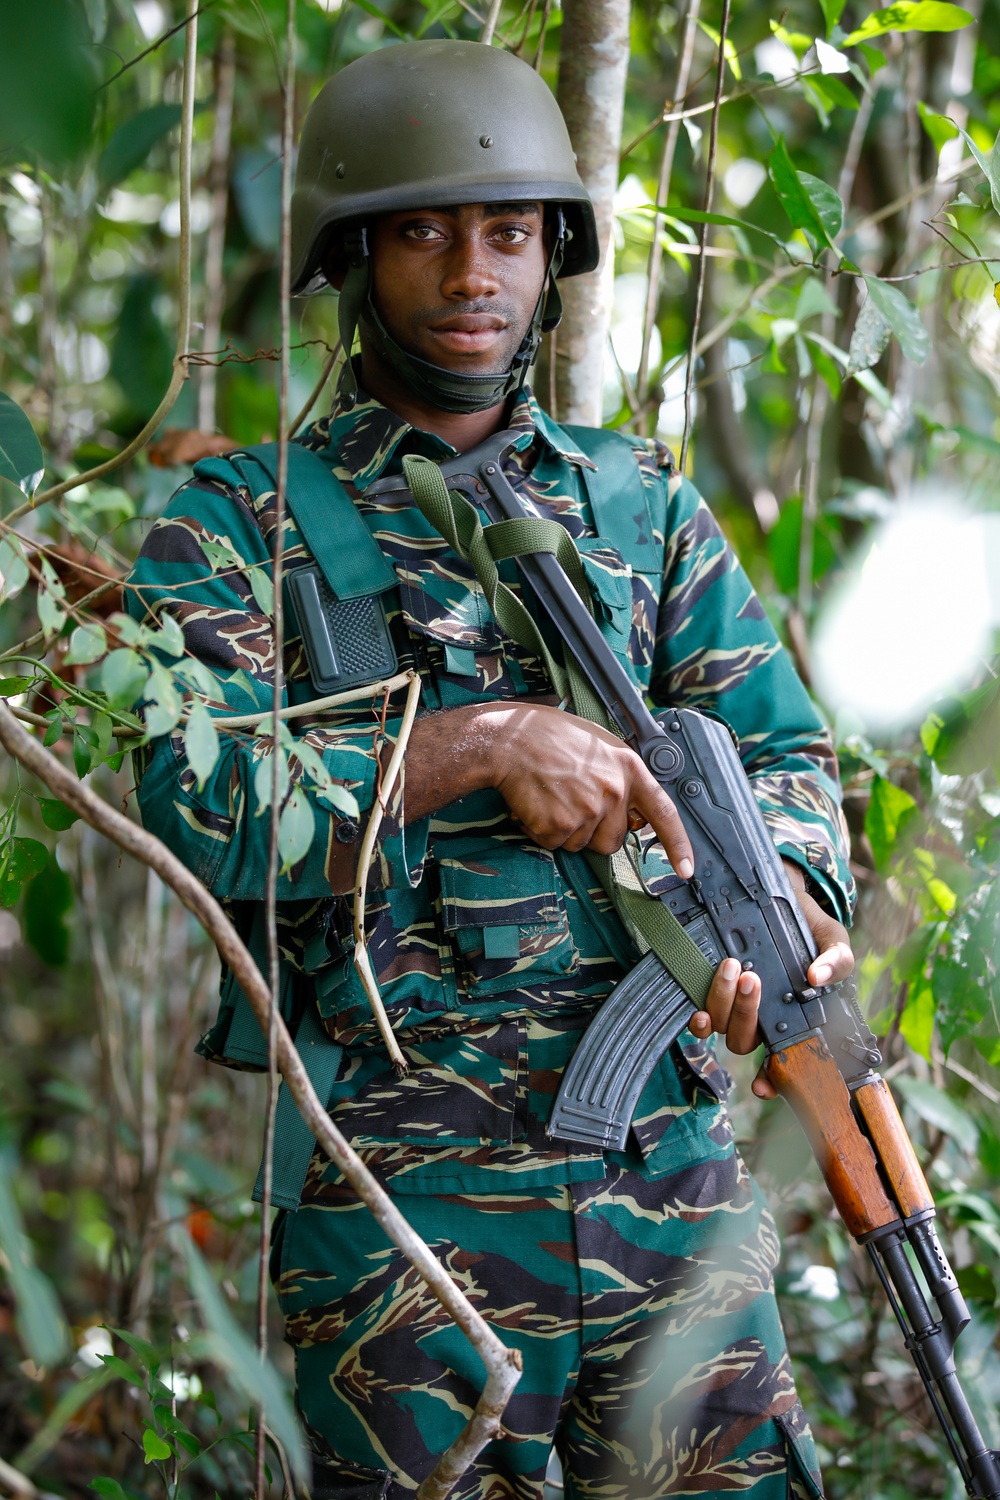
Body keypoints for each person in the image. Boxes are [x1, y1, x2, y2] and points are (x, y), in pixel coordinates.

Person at [126, 39, 855, 1500]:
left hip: (669, 1175)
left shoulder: (640, 505)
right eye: (427, 231)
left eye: (510, 232)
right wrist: (470, 747)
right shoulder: (233, 523)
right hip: (401, 1200)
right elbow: (197, 803)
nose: (474, 270)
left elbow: (781, 748)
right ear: (352, 255)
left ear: (553, 257)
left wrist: (790, 890)